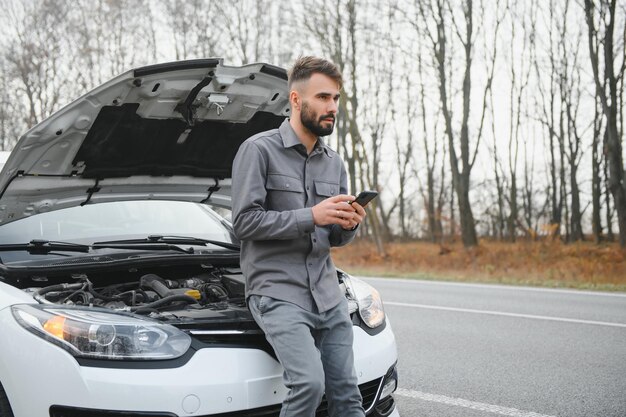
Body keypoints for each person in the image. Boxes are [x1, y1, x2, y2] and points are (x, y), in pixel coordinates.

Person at [231, 56, 367, 417]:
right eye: (323, 97)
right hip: (278, 292)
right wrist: (312, 216)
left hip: (327, 294)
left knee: (347, 395)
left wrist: (349, 226)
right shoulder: (258, 150)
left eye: (336, 99)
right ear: (295, 99)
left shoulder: (333, 162)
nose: (332, 108)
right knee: (308, 384)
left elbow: (333, 238)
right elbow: (244, 224)